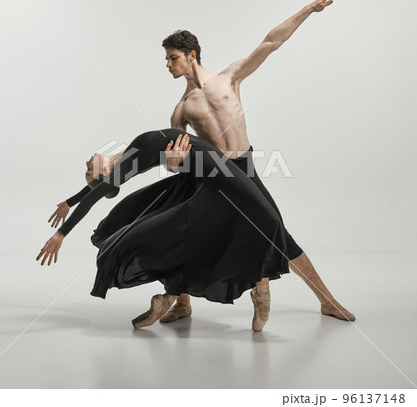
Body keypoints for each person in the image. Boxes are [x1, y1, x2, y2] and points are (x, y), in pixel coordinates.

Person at [158, 0, 355, 324]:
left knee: (274, 229)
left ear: (191, 55)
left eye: (172, 57)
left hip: (242, 167)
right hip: (214, 175)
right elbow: (171, 159)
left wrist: (308, 9)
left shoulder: (229, 78)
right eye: (166, 59)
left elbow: (271, 42)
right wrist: (172, 164)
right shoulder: (181, 109)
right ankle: (185, 303)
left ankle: (323, 299)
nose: (167, 65)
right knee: (188, 234)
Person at [37, 129, 291, 331]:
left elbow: (92, 191)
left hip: (205, 171)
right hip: (214, 169)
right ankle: (262, 291)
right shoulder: (125, 167)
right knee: (267, 219)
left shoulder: (126, 156)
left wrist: (69, 202)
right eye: (88, 169)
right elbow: (95, 196)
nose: (86, 162)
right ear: (106, 173)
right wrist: (61, 233)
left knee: (255, 220)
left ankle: (253, 290)